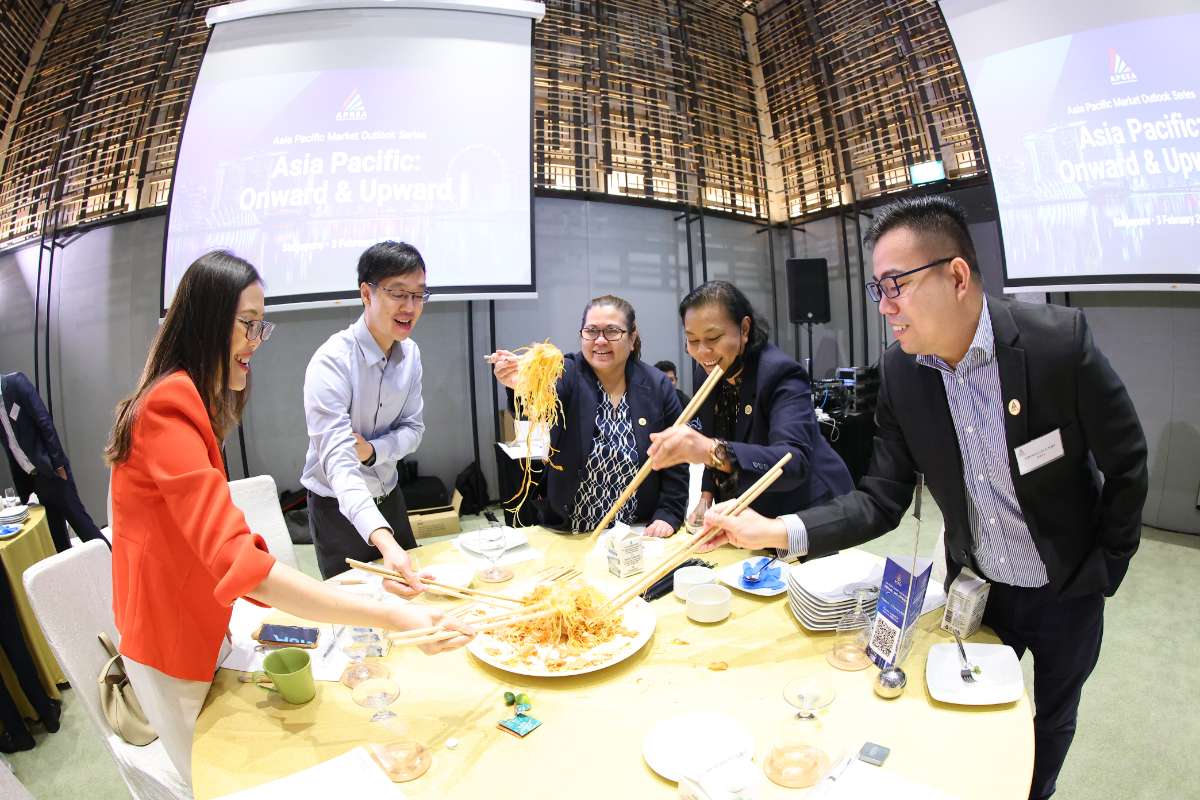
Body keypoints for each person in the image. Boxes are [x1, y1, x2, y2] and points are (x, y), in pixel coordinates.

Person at [704, 196, 1147, 800]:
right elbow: (880, 498)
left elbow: (1127, 462)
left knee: (1051, 718)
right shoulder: (902, 372)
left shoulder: (1056, 345)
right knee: (961, 708)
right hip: (978, 587)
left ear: (957, 276)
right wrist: (777, 530)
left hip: (1067, 586)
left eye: (896, 285)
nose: (884, 306)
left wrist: (1105, 568)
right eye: (877, 289)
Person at [107, 251, 471, 786]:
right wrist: (392, 616)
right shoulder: (169, 407)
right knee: (214, 778)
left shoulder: (184, 398)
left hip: (202, 617)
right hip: (170, 635)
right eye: (248, 324)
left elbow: (216, 536)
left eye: (262, 325)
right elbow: (239, 554)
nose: (257, 341)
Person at [647, 281, 852, 528]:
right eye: (692, 340)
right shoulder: (707, 371)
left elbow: (793, 462)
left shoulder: (779, 373)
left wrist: (711, 450)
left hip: (808, 508)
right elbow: (716, 433)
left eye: (713, 337)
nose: (702, 352)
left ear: (744, 329)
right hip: (751, 509)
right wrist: (706, 495)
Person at [489, 295, 688, 535]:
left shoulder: (657, 385)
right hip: (572, 529)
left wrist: (668, 514)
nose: (600, 340)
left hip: (637, 529)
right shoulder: (566, 372)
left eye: (612, 331)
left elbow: (676, 458)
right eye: (591, 331)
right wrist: (520, 385)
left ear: (632, 338)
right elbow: (536, 410)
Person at [301, 241, 430, 581]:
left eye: (418, 295)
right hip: (336, 506)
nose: (410, 307)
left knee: (410, 593)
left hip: (389, 493)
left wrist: (374, 451)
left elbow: (414, 430)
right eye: (398, 293)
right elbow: (340, 465)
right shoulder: (331, 362)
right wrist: (384, 541)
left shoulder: (411, 355)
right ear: (366, 294)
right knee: (352, 604)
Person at [0, 370, 105, 551]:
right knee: (58, 539)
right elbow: (10, 446)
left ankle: (113, 562)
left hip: (51, 470)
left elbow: (45, 422)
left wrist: (59, 465)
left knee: (83, 527)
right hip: (32, 478)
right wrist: (24, 491)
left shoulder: (16, 383)